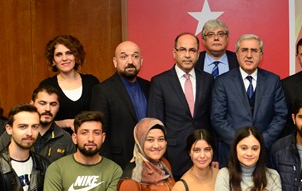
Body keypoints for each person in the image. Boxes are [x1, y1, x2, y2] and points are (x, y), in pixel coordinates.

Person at [211, 33, 289, 164]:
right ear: (237, 54)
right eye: (244, 50)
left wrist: (260, 142)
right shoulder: (222, 81)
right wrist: (240, 144)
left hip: (264, 153)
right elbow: (217, 118)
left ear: (261, 55)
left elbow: (280, 116)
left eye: (254, 50)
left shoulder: (273, 81)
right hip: (231, 153)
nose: (249, 55)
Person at [149, 33, 215, 177]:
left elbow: (212, 119)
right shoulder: (160, 82)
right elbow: (155, 123)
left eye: (192, 50)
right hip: (173, 155)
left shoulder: (208, 80)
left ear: (198, 54)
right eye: (182, 50)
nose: (187, 55)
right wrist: (160, 158)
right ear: (174, 53)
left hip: (203, 154)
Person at [91, 41, 151, 170]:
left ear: (141, 61)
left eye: (135, 56)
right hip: (119, 162)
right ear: (115, 62)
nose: (130, 61)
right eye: (124, 56)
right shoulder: (102, 90)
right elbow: (100, 131)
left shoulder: (150, 87)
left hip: (150, 159)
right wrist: (107, 168)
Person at [0, 85, 74, 163]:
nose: (48, 109)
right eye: (42, 103)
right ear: (32, 104)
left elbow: (70, 169)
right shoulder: (12, 134)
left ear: (58, 107)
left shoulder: (65, 139)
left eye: (53, 104)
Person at [38, 34, 101, 130]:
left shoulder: (91, 82)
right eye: (59, 54)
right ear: (53, 60)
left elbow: (99, 117)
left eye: (69, 53)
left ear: (76, 56)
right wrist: (66, 123)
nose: (64, 58)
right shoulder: (47, 85)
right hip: (57, 139)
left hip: (88, 138)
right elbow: (39, 122)